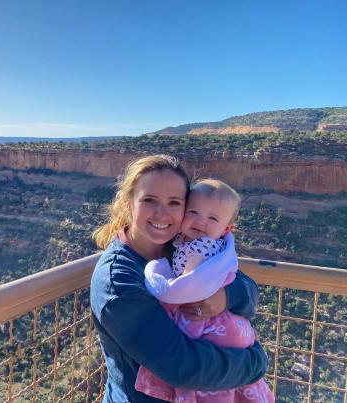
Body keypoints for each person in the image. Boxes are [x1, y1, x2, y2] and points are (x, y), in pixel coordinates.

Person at [90, 155, 268, 403]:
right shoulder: (118, 281)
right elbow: (181, 367)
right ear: (129, 203)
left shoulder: (182, 245)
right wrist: (255, 363)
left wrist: (225, 296)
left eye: (174, 202)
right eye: (149, 200)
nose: (162, 214)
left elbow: (247, 290)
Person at [134, 179, 274, 402]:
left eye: (212, 218)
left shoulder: (202, 246)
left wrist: (156, 276)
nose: (201, 221)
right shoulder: (187, 242)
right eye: (194, 212)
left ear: (227, 229)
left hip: (207, 321)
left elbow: (186, 288)